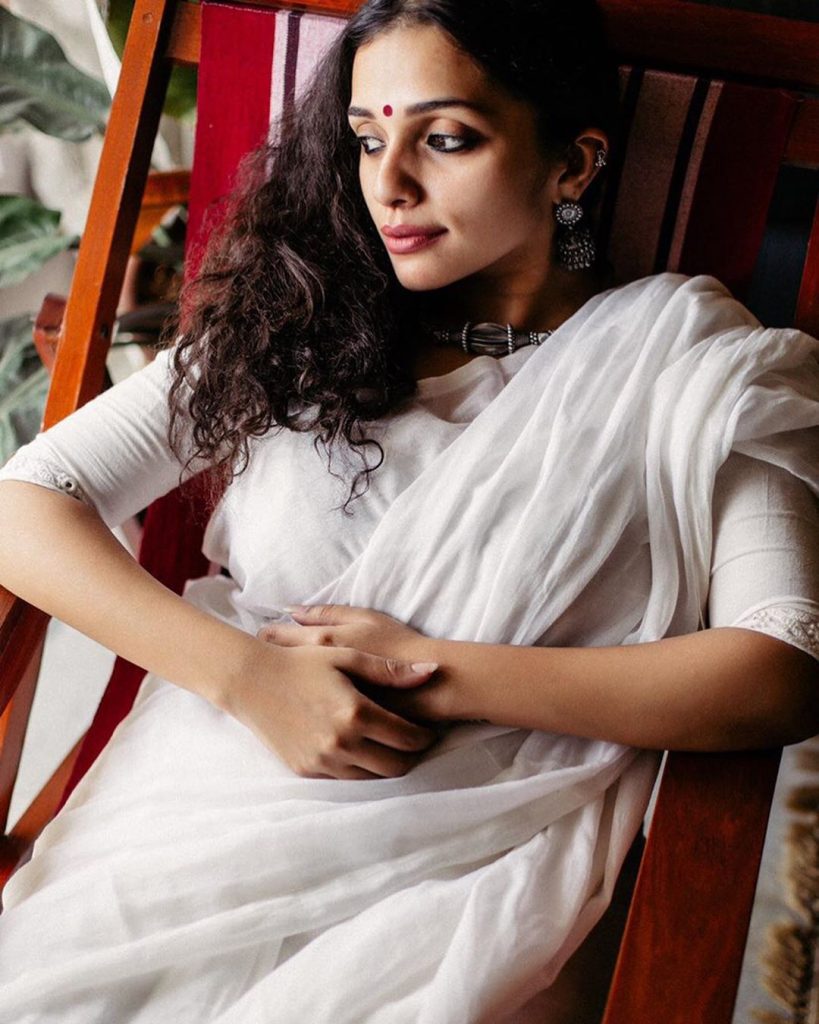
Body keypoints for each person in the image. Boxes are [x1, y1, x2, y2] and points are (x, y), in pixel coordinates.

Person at [0, 0, 817, 1020]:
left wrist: (433, 677)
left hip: (479, 871)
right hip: (186, 826)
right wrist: (249, 678)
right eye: (366, 139)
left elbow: (780, 662)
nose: (388, 184)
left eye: (447, 138)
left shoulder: (690, 366)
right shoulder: (291, 325)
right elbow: (25, 501)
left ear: (573, 165)